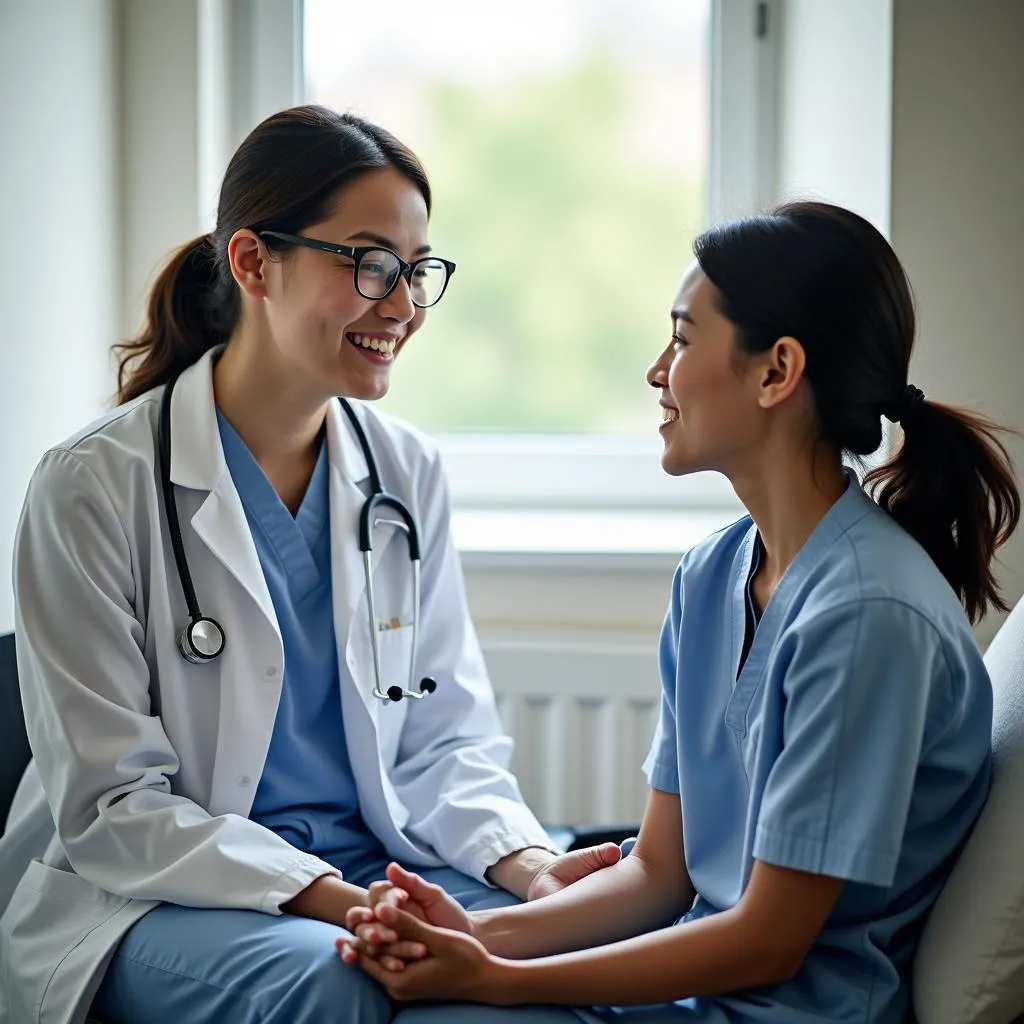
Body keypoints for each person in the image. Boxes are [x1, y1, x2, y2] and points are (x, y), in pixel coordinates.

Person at [0, 105, 619, 1024]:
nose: (402, 306)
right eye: (370, 264)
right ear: (253, 262)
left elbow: (448, 740)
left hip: (382, 866)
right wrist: (341, 902)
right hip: (158, 896)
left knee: (542, 990)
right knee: (336, 983)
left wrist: (526, 866)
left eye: (415, 272)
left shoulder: (405, 473)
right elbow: (113, 808)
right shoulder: (92, 488)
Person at [339, 201, 1021, 1024]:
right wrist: (483, 933)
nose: (658, 371)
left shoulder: (870, 615)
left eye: (684, 338)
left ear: (776, 371)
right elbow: (659, 873)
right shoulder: (712, 574)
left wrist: (493, 979)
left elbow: (767, 942)